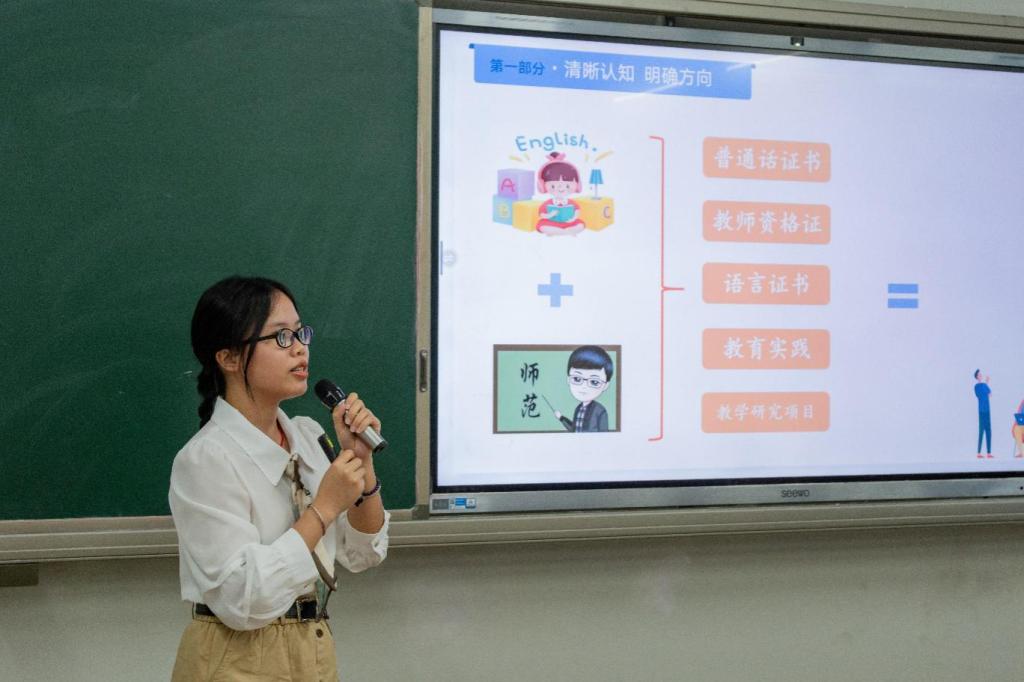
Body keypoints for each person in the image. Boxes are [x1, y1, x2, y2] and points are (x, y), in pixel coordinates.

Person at [169, 276, 389, 681]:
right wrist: (323, 508)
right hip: (235, 656)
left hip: (314, 643)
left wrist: (362, 463)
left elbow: (363, 554)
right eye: (281, 337)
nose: (301, 348)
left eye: (301, 333)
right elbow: (243, 599)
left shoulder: (309, 435)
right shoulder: (205, 459)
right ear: (229, 357)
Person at [553, 345, 613, 432]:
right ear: (568, 379)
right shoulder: (578, 409)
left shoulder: (600, 411)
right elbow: (574, 430)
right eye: (577, 379)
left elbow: (605, 435)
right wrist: (561, 418)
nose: (584, 386)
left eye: (594, 382)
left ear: (605, 385)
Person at [535, 152, 586, 236]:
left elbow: (577, 211)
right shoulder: (547, 203)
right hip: (551, 223)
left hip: (569, 223)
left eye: (567, 186)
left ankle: (557, 232)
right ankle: (566, 232)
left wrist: (573, 218)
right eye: (553, 186)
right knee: (542, 226)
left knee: (581, 225)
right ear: (542, 186)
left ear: (578, 185)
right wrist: (550, 215)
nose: (561, 188)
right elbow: (542, 215)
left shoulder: (572, 203)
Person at [974, 369, 993, 459]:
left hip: (987, 410)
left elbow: (990, 394)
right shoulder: (976, 386)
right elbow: (981, 395)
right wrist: (986, 383)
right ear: (976, 377)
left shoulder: (984, 385)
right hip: (981, 411)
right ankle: (978, 453)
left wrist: (986, 384)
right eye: (979, 375)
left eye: (981, 374)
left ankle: (989, 453)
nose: (981, 375)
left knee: (989, 430)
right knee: (981, 431)